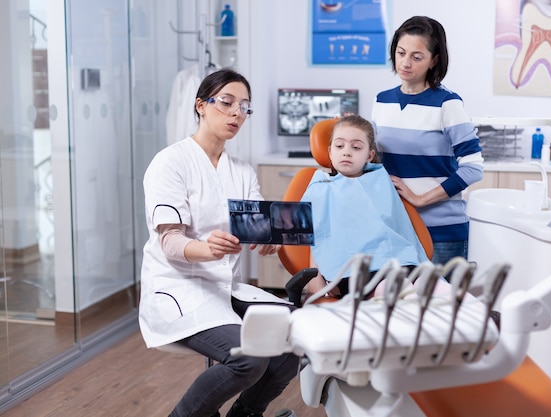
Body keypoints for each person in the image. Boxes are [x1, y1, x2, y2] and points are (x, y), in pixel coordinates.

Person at [139, 68, 299, 417]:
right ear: (201, 105)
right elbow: (169, 241)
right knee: (248, 358)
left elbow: (255, 229)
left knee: (295, 339)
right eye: (227, 103)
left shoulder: (242, 170)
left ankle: (245, 414)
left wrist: (267, 242)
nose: (236, 113)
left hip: (225, 288)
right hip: (179, 288)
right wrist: (207, 249)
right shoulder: (170, 163)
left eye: (244, 107)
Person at [371, 16, 484, 265]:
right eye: (401, 53)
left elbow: (474, 168)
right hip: (396, 226)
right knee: (396, 303)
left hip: (441, 230)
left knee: (440, 304)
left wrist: (422, 198)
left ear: (434, 60)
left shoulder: (447, 103)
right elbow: (377, 162)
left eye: (416, 57)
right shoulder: (381, 101)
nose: (405, 63)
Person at [301, 114, 429, 297]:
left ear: (369, 155)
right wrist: (316, 289)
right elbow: (319, 242)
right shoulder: (321, 189)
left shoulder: (381, 183)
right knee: (399, 288)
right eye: (339, 146)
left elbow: (397, 232)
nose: (346, 152)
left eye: (356, 147)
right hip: (350, 271)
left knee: (429, 283)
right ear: (330, 151)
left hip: (396, 262)